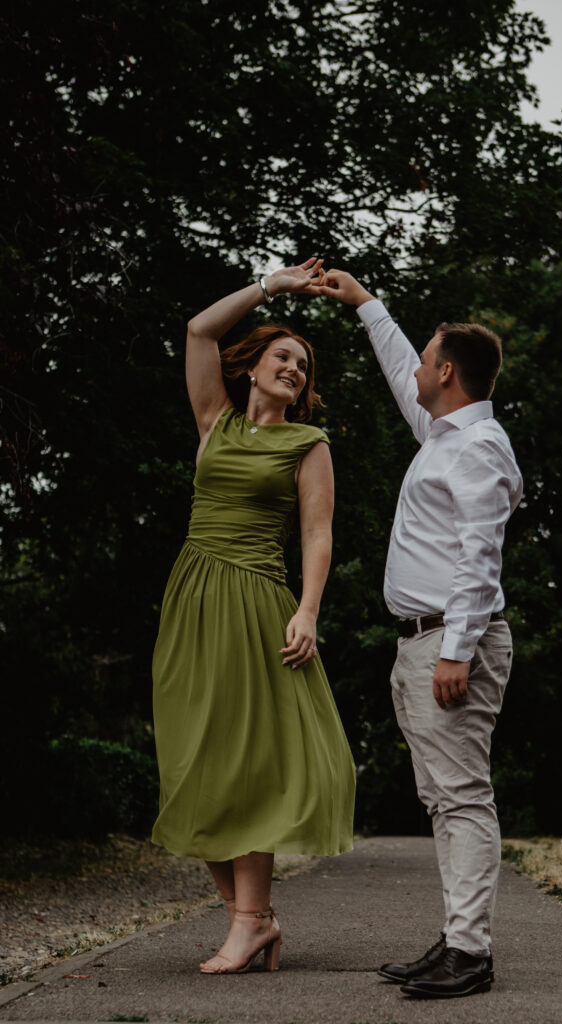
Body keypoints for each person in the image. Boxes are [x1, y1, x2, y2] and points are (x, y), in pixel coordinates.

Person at [319, 269, 523, 999]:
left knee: (461, 796)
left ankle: (470, 954)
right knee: (442, 798)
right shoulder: (442, 435)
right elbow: (398, 367)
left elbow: (479, 556)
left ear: (447, 373)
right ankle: (458, 938)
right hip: (423, 641)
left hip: (449, 643)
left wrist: (455, 651)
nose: (415, 369)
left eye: (426, 359)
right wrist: (365, 304)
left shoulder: (478, 446)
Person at [151, 257, 356, 976]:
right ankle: (255, 919)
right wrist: (274, 285)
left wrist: (308, 610)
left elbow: (317, 534)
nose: (293, 368)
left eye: (302, 364)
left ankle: (247, 923)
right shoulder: (216, 420)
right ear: (253, 366)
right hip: (192, 599)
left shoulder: (308, 443)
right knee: (191, 762)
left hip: (259, 603)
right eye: (282, 356)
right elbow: (199, 330)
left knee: (248, 764)